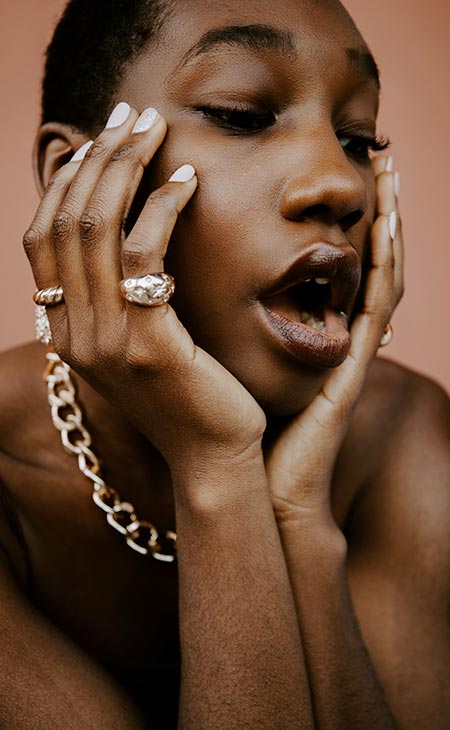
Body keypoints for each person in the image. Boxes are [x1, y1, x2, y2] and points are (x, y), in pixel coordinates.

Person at [0, 0, 449, 727]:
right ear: (74, 180)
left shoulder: (402, 435)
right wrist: (217, 465)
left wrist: (298, 518)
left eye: (359, 136)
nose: (340, 184)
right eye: (242, 113)